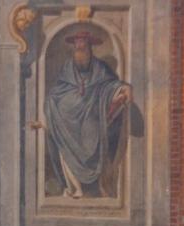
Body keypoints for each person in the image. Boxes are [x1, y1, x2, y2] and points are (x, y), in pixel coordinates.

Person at [44, 31, 131, 198]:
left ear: (89, 46)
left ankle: (102, 186)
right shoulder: (68, 68)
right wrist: (54, 103)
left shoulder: (100, 68)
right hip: (69, 121)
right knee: (64, 138)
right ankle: (75, 188)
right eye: (77, 44)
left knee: (97, 137)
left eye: (82, 44)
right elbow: (58, 90)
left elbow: (110, 85)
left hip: (92, 116)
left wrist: (122, 89)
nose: (79, 47)